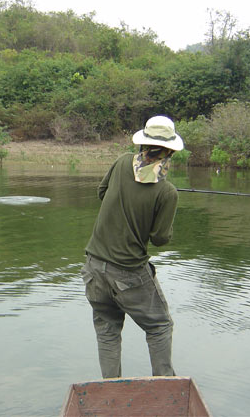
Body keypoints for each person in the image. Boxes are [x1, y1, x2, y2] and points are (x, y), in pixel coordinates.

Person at [82, 115, 184, 379]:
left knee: (108, 331)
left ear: (142, 143)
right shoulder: (167, 192)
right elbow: (160, 238)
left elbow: (102, 193)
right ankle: (166, 390)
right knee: (160, 326)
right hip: (128, 272)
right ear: (170, 150)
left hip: (93, 265)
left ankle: (110, 391)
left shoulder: (121, 162)